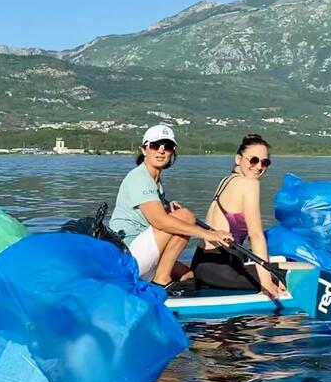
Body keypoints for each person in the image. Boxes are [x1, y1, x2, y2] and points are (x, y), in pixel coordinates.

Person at [109, 124, 232, 294]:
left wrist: (167, 207)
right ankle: (161, 281)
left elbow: (153, 212)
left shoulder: (154, 182)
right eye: (155, 145)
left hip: (139, 254)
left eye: (167, 146)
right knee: (186, 216)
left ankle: (159, 280)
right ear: (144, 150)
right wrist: (210, 234)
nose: (161, 151)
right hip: (128, 257)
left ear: (172, 152)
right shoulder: (139, 178)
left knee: (188, 275)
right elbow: (160, 221)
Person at [191, 134, 284, 299]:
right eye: (253, 160)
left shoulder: (226, 180)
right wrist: (267, 282)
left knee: (288, 263)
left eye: (265, 162)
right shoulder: (250, 184)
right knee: (290, 276)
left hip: (201, 263)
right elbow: (255, 235)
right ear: (238, 159)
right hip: (221, 270)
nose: (259, 166)